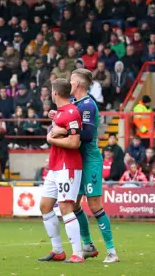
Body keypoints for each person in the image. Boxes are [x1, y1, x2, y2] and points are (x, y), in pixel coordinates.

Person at [49, 69, 119, 263]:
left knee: (95, 205)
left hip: (90, 159)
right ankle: (88, 245)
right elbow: (71, 124)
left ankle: (112, 251)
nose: (68, 84)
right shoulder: (74, 104)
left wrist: (62, 128)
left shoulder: (88, 105)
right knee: (74, 204)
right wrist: (57, 116)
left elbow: (86, 135)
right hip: (77, 160)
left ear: (77, 84)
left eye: (71, 81)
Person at [38, 78, 84, 263]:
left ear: (55, 92)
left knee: (65, 207)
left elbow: (74, 143)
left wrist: (51, 138)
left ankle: (78, 254)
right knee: (45, 206)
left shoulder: (71, 113)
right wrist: (55, 125)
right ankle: (58, 250)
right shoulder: (61, 112)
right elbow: (61, 127)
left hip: (68, 166)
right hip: (56, 166)